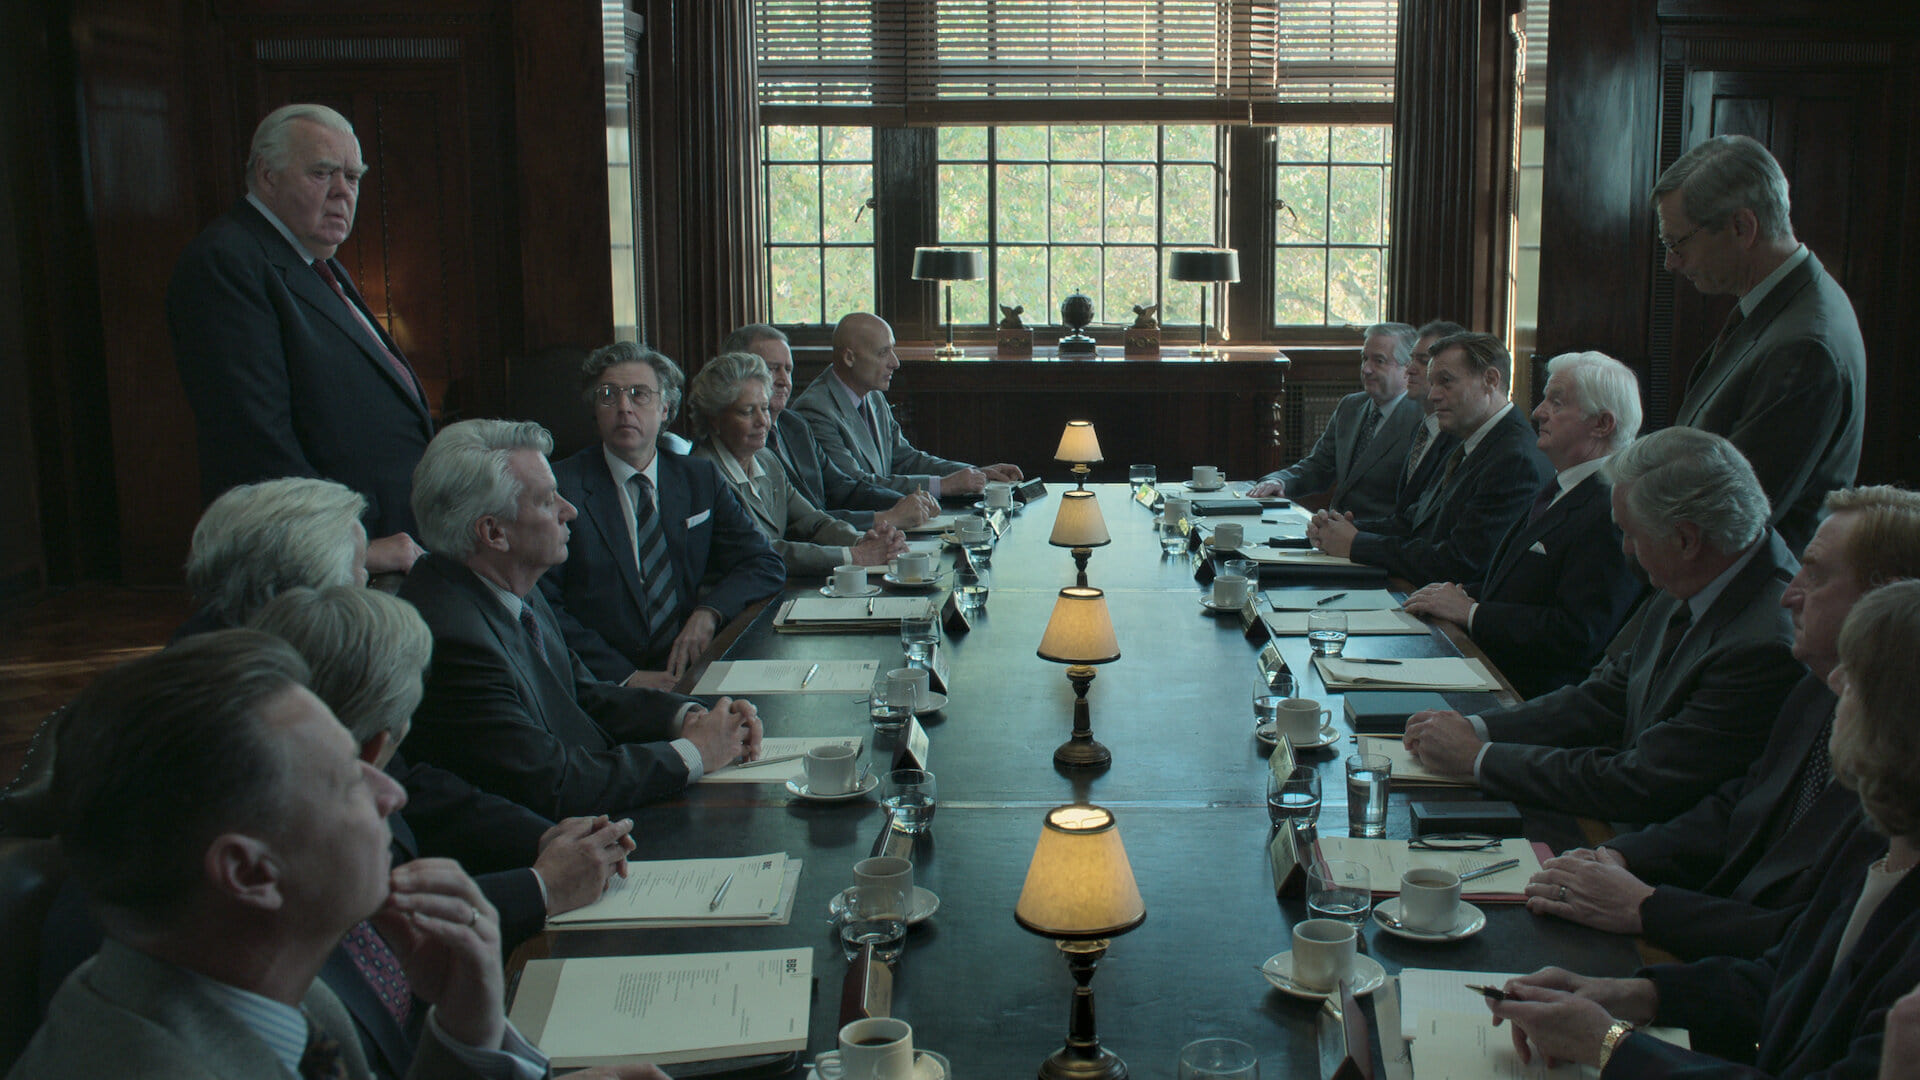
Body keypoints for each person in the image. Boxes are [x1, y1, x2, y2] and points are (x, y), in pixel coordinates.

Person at [14, 630, 542, 1078]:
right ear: (250, 873)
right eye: (346, 780)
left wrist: (466, 1033)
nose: (391, 793)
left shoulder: (258, 985)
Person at [1486, 580, 1920, 1078]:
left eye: (1857, 677)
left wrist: (1608, 1046)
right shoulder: (1877, 841)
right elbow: (1781, 981)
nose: (1836, 681)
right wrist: (1626, 994)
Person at [169, 475, 597, 930]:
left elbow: (408, 785)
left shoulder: (272, 661)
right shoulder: (233, 727)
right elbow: (353, 927)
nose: (373, 592)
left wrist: (542, 836)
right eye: (364, 577)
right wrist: (539, 888)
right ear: (305, 599)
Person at [1523, 486, 1920, 960]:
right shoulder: (1816, 687)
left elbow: (1821, 942)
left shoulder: (1901, 753)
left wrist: (1649, 907)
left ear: (1886, 597)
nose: (1789, 595)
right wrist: (1625, 854)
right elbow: (1740, 806)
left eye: (1815, 575)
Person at [1404, 426, 1802, 824]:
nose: (1625, 549)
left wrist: (1478, 758)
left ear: (1686, 539)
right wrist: (1476, 727)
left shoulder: (1762, 644)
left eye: (1630, 534)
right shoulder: (1705, 567)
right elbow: (1606, 696)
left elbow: (1647, 783)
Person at [400, 419, 762, 819]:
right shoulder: (453, 638)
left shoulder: (505, 580)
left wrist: (690, 718)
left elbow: (581, 693)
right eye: (547, 500)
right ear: (493, 532)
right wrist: (695, 752)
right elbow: (554, 783)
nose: (569, 510)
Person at [253, 587, 636, 951]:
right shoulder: (296, 828)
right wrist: (542, 887)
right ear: (379, 742)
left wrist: (544, 836)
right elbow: (382, 933)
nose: (391, 795)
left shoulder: (285, 750)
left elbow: (426, 796)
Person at [167, 103, 427, 574]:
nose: (343, 191)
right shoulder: (227, 262)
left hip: (380, 547)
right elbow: (254, 439)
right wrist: (352, 548)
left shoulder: (316, 261)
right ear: (267, 176)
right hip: (320, 565)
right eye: (322, 173)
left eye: (353, 176)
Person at [1657, 134, 1866, 554]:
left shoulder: (1804, 346)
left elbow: (1733, 519)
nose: (1671, 263)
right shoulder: (1785, 302)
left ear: (1742, 227)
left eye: (1677, 243)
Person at [537, 342, 785, 687]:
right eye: (608, 395)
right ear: (595, 407)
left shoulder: (698, 478)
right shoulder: (560, 488)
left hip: (690, 670)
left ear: (665, 407)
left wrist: (710, 612)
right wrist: (626, 678)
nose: (624, 407)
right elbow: (543, 605)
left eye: (639, 394)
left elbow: (764, 563)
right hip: (600, 684)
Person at [1403, 351, 1645, 697]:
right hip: (1491, 669)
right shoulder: (1563, 485)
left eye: (1556, 403)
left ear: (1602, 424)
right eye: (1544, 399)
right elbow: (1518, 586)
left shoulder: (1611, 507)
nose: (1538, 412)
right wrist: (1453, 595)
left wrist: (1472, 612)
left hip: (1530, 696)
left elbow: (1579, 633)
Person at [1308, 332, 1553, 587]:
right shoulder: (1466, 438)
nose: (1433, 395)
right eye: (1432, 382)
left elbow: (1460, 563)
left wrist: (1357, 544)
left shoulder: (1514, 460)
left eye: (1445, 382)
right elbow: (1414, 523)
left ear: (1490, 380)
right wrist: (1341, 529)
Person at [686, 352, 906, 575]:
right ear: (714, 418)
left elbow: (813, 521)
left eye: (764, 408)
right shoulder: (702, 473)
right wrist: (854, 556)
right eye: (747, 412)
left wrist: (863, 540)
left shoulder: (766, 459)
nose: (762, 421)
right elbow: (762, 550)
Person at [720, 324, 936, 530]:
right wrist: (885, 518)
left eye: (788, 370)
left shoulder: (794, 425)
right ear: (737, 374)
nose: (784, 381)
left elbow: (842, 488)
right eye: (772, 370)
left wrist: (906, 501)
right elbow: (795, 525)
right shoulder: (746, 442)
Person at [789, 312, 1022, 497]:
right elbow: (854, 485)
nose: (895, 363)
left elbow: (905, 459)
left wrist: (975, 473)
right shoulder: (816, 410)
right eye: (883, 353)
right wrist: (943, 485)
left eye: (893, 350)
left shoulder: (872, 395)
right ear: (849, 357)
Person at [1248, 322, 1423, 518]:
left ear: (1407, 368)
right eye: (1364, 359)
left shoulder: (1420, 421)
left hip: (1377, 533)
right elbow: (1319, 466)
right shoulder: (1350, 407)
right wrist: (1280, 481)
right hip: (1333, 526)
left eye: (1379, 361)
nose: (1366, 369)